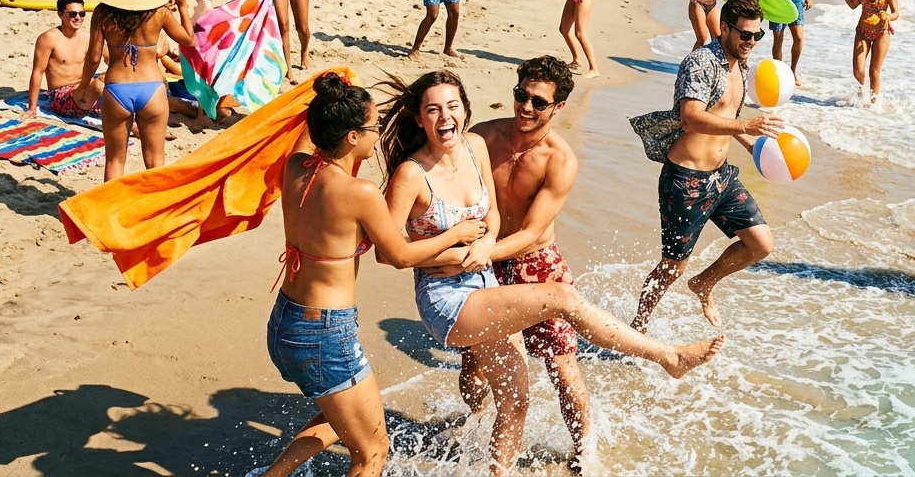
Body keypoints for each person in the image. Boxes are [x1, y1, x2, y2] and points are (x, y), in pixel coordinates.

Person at [382, 71, 725, 475]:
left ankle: (517, 466)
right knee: (560, 299)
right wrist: (458, 244)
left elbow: (495, 218)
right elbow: (391, 255)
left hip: (495, 273)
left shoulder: (478, 147)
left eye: (453, 106)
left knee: (516, 398)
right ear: (420, 117)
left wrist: (483, 247)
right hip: (448, 298)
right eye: (433, 109)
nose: (445, 116)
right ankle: (668, 355)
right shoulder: (414, 173)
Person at [252, 72, 485, 477]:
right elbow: (397, 255)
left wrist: (334, 96)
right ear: (351, 138)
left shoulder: (295, 167)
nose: (378, 134)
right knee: (373, 451)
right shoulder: (359, 194)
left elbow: (308, 133)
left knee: (343, 416)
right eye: (374, 127)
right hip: (326, 333)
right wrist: (456, 234)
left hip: (285, 323)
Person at [465, 58, 593, 468]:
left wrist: (484, 250)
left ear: (557, 108)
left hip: (535, 264)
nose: (526, 107)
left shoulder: (560, 160)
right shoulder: (483, 137)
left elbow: (532, 232)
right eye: (522, 95)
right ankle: (479, 420)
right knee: (473, 366)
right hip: (485, 264)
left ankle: (581, 449)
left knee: (561, 367)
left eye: (539, 102)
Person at [631, 0, 780, 331]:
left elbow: (726, 114)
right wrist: (745, 126)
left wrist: (755, 146)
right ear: (724, 28)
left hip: (722, 178)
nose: (751, 42)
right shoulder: (702, 62)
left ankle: (705, 284)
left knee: (761, 244)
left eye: (757, 36)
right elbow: (691, 118)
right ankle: (637, 327)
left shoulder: (739, 65)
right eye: (745, 34)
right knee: (672, 268)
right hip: (686, 181)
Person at [75, 0, 194, 180]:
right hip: (152, 88)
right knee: (155, 161)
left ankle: (111, 214)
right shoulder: (159, 11)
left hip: (118, 87)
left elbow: (94, 57)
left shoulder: (102, 12)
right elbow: (189, 40)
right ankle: (157, 211)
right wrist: (184, 6)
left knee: (115, 160)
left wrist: (83, 86)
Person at [829, 0, 899, 103]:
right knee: (858, 71)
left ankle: (872, 105)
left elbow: (896, 13)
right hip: (863, 31)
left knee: (874, 71)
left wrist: (887, 17)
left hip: (882, 32)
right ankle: (863, 92)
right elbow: (853, 4)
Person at [23, 0, 104, 121]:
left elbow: (111, 59)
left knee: (107, 77)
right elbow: (38, 72)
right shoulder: (49, 38)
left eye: (82, 14)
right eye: (72, 14)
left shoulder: (87, 38)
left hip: (82, 89)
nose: (78, 18)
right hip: (60, 97)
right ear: (60, 14)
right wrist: (32, 108)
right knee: (98, 85)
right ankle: (130, 125)